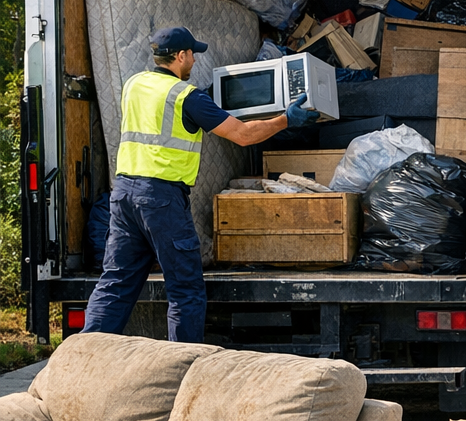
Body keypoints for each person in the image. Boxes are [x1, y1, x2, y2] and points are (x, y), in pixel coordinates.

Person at [83, 26, 320, 342]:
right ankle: (181, 368)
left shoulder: (134, 84)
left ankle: (82, 360)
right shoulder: (186, 97)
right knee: (185, 288)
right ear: (180, 56)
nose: (194, 60)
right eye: (192, 54)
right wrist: (286, 120)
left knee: (116, 282)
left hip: (124, 195)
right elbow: (243, 136)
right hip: (162, 200)